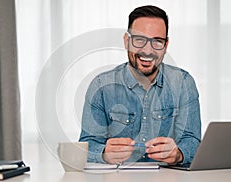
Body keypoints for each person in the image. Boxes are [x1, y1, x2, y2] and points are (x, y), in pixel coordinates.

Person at [79, 5, 201, 165]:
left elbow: (192, 141)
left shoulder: (183, 83)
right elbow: (87, 145)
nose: (147, 50)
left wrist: (178, 154)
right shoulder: (101, 86)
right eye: (139, 40)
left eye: (157, 41)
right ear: (126, 41)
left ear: (166, 44)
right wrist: (103, 153)